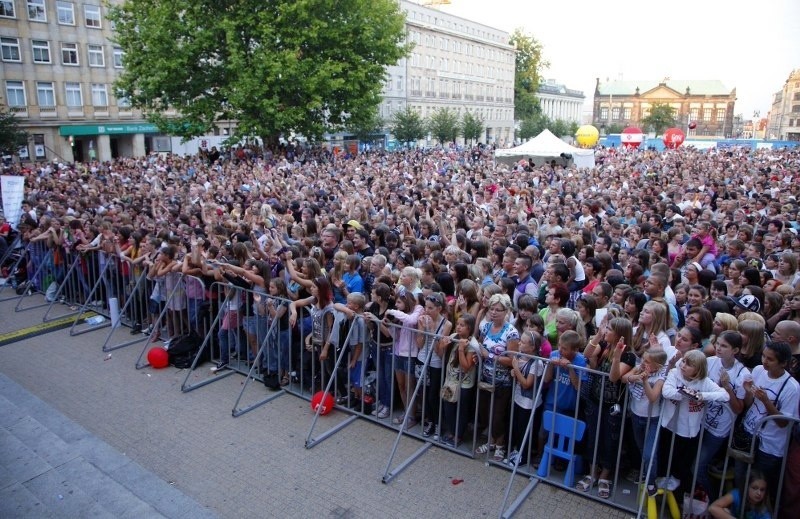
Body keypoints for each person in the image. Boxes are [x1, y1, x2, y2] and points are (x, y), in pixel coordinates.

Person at [660, 350, 729, 499]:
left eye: (689, 364)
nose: (683, 366)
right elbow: (666, 391)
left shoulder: (704, 382)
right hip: (669, 423)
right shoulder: (674, 372)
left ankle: (676, 485)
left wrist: (701, 396)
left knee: (682, 459)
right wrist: (686, 394)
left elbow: (724, 395)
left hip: (687, 429)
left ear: (698, 369)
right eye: (684, 361)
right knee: (665, 453)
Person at [736, 342, 800, 502]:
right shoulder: (758, 370)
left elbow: (784, 423)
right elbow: (750, 404)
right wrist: (748, 390)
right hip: (747, 433)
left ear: (783, 363)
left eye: (770, 359)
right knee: (740, 477)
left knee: (759, 488)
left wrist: (766, 401)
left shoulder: (792, 387)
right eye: (764, 356)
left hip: (769, 447)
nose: (764, 361)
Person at [696, 330, 749, 499]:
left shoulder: (743, 374)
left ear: (735, 350)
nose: (718, 348)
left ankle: (712, 501)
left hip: (718, 429)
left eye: (724, 346)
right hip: (699, 421)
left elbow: (738, 408)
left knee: (697, 466)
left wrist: (727, 388)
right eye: (717, 343)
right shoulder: (710, 361)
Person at [475, 293, 520, 462]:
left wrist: (490, 356)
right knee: (486, 413)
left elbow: (512, 360)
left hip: (503, 382)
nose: (493, 312)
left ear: (506, 311)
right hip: (486, 377)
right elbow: (480, 344)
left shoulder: (511, 332)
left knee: (498, 416)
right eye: (491, 309)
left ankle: (500, 446)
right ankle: (492, 441)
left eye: (498, 310)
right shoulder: (486, 327)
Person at [414, 291, 452, 438]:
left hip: (435, 363)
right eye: (425, 307)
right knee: (423, 394)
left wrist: (431, 331)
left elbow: (439, 352)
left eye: (430, 308)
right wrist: (422, 329)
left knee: (433, 396)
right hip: (422, 359)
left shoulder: (446, 324)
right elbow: (419, 344)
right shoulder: (422, 319)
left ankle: (437, 424)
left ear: (439, 309)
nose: (426, 311)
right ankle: (430, 421)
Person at [439, 314, 481, 447]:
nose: (458, 327)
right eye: (457, 324)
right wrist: (442, 346)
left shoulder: (472, 344)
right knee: (448, 406)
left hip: (464, 384)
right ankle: (451, 431)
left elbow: (466, 367)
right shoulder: (453, 337)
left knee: (461, 409)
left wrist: (462, 349)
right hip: (450, 380)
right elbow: (440, 355)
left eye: (462, 325)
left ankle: (458, 435)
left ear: (469, 328)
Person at [507, 330, 545, 466]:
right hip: (518, 398)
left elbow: (527, 384)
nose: (519, 343)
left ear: (532, 347)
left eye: (523, 342)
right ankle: (516, 451)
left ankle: (523, 456)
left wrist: (516, 369)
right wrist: (514, 372)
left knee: (526, 431)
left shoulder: (537, 363)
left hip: (529, 403)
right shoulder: (521, 357)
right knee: (517, 427)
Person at [708, 469, 773, 519]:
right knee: (725, 511)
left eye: (762, 490)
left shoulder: (764, 513)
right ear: (747, 486)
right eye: (754, 488)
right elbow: (712, 508)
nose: (759, 493)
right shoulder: (737, 494)